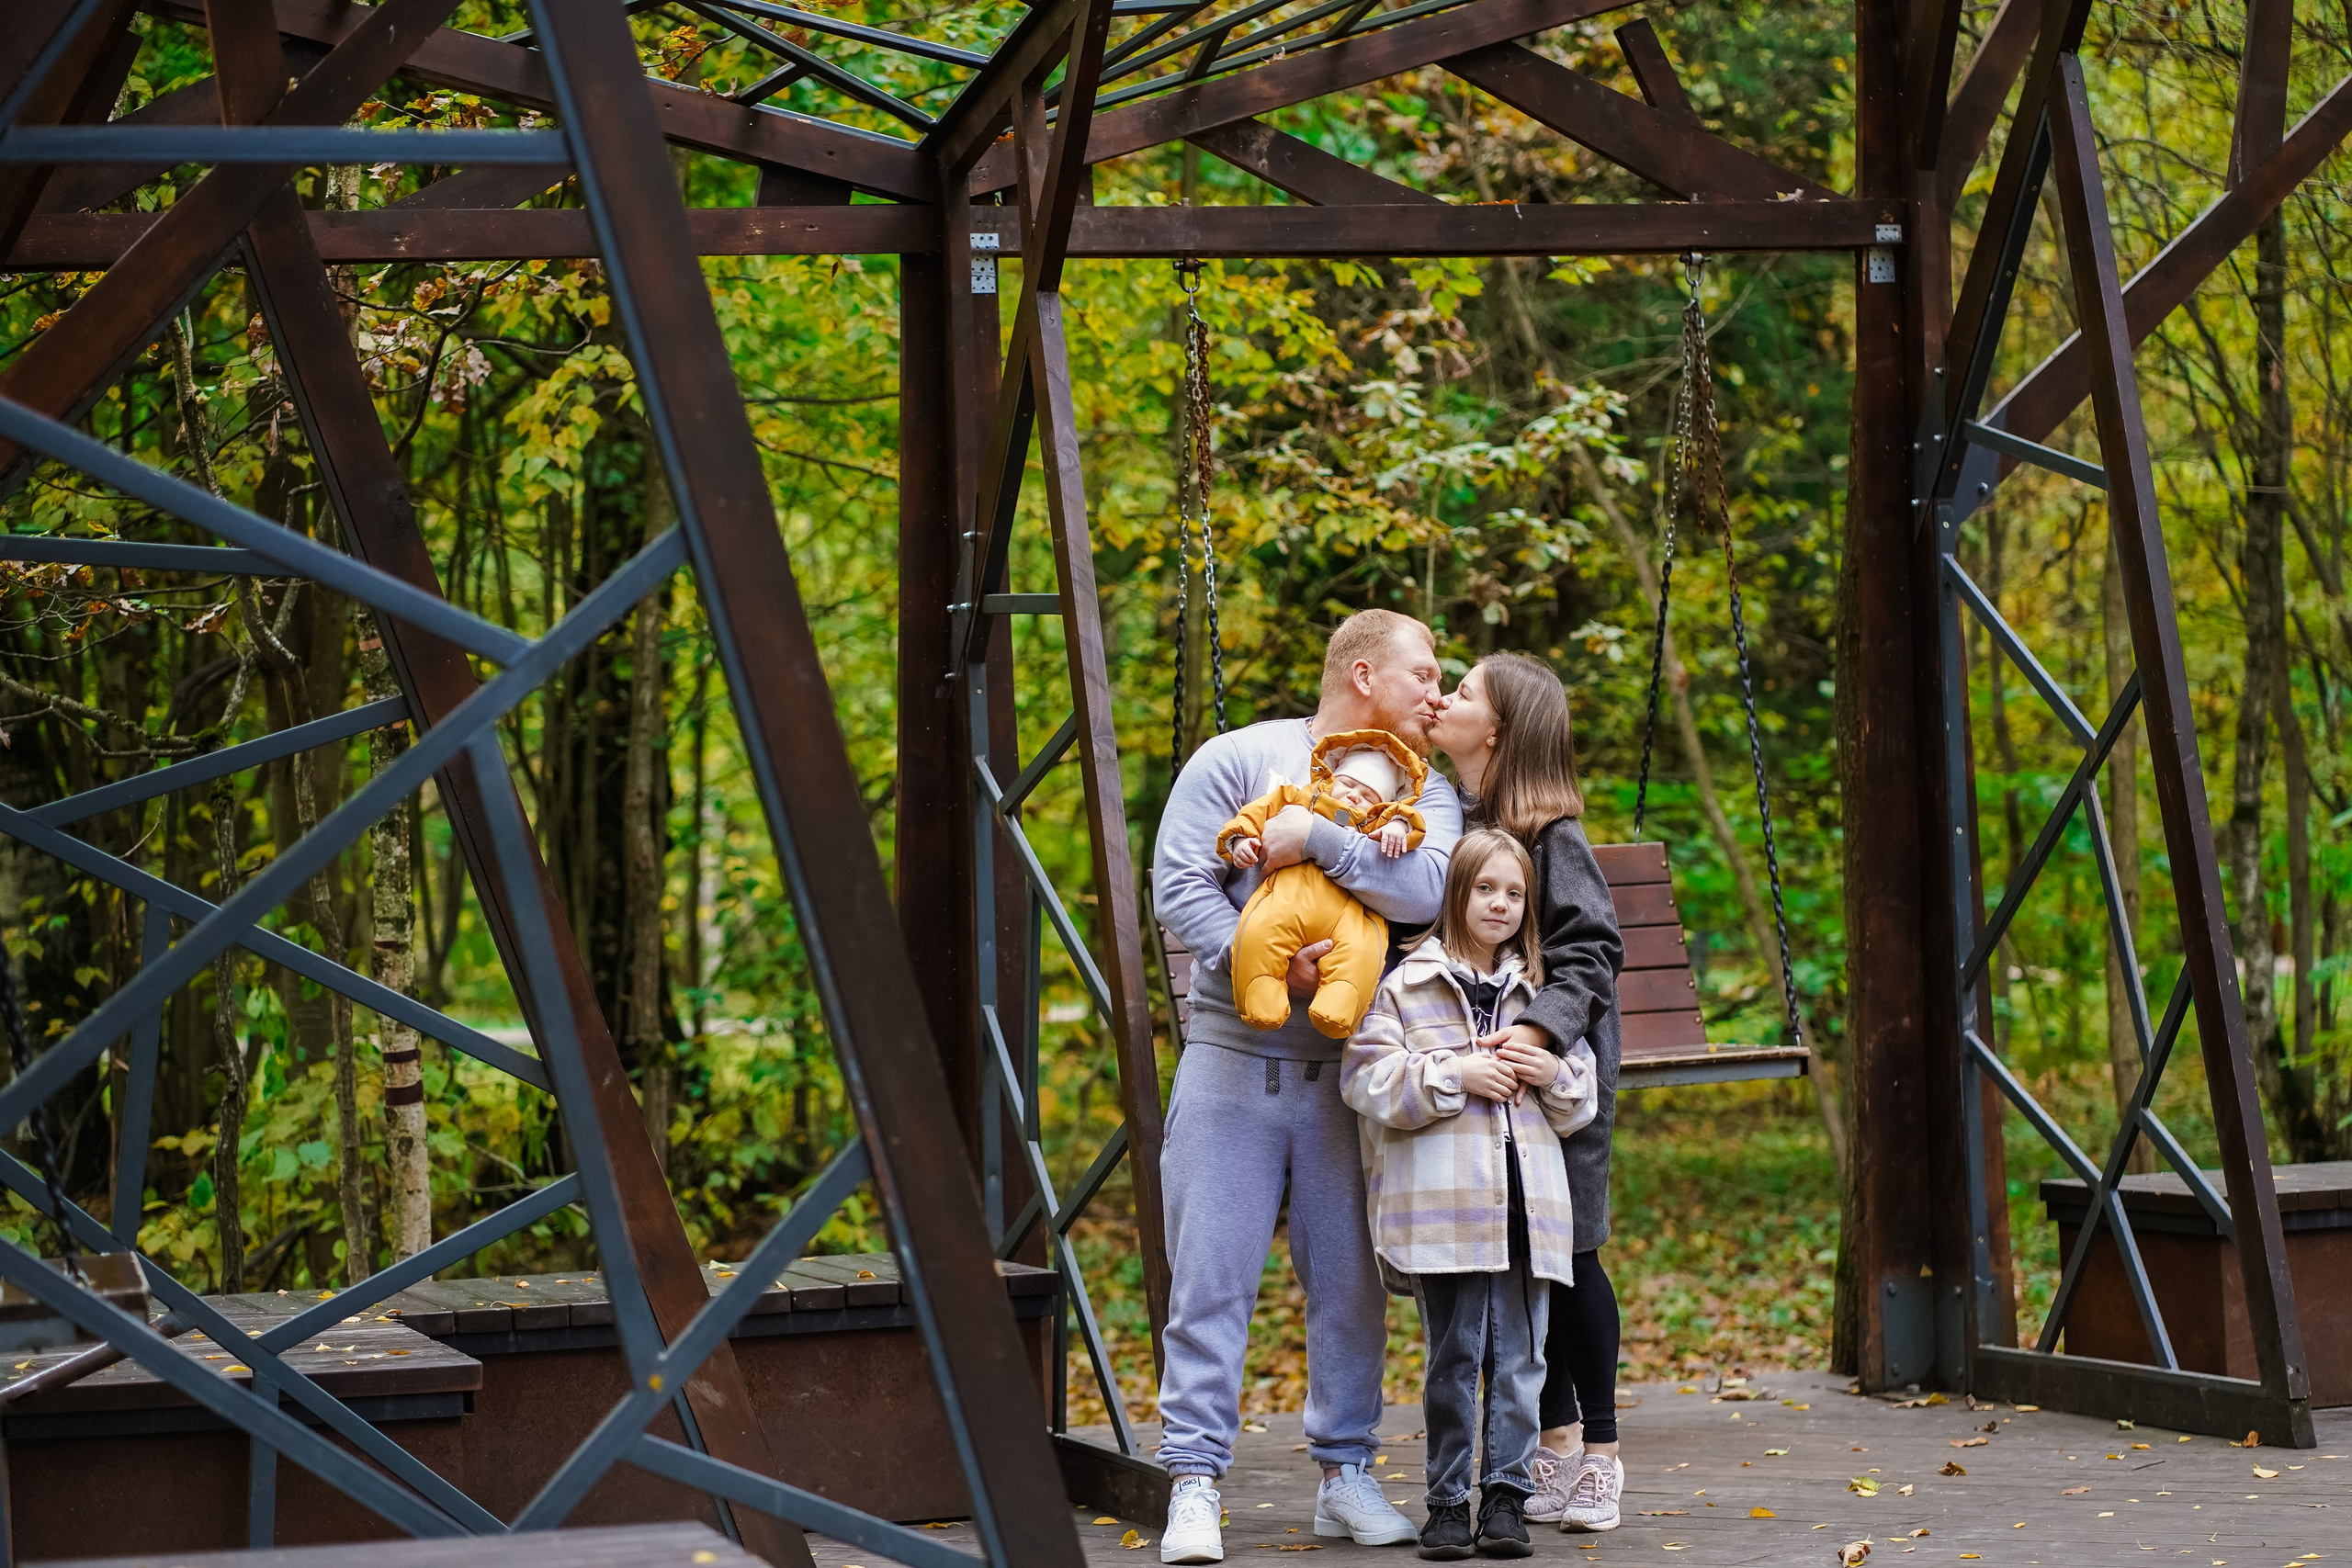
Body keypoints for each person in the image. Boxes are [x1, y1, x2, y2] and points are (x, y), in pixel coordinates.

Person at [1151, 608, 1463, 1565]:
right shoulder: (1237, 758)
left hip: (1351, 1074)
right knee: (1209, 1279)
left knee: (1350, 1288)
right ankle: (1195, 1481)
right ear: (1363, 674)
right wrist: (1262, 963)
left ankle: (1345, 1474)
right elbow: (1178, 886)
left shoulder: (1429, 790)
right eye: (1424, 673)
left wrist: (1320, 844)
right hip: (1229, 1055)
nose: (1437, 694)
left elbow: (1427, 894)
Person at [1341, 829, 1600, 1560]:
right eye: (1486, 888)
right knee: (1454, 1357)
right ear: (1457, 894)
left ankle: (1507, 1498)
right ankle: (1449, 1501)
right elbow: (1365, 1079)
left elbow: (1578, 1099)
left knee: (1522, 1362)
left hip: (1527, 1208)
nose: (1501, 903)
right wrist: (1456, 1075)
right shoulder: (1406, 985)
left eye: (1515, 893)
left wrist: (1550, 1075)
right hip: (1446, 1212)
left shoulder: (1539, 997)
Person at [1426, 653, 1627, 1534]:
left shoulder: (1553, 836)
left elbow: (1592, 952)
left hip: (1556, 1076)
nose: (1443, 698)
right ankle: (1553, 1442)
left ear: (1499, 729)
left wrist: (1540, 1035)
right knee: (1512, 1261)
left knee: (1569, 1252)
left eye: (1463, 691)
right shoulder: (1453, 820)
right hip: (1482, 1082)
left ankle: (1605, 1458)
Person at [1218, 728, 1431, 1037]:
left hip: (1349, 914)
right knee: (1258, 932)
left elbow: (1411, 824)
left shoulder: (1378, 823)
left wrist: (1399, 827)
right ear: (1332, 778)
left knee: (1363, 950)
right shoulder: (1301, 797)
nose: (1354, 795)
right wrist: (1241, 839)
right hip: (1289, 898)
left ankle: (1340, 1004)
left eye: (1368, 794)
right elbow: (1257, 812)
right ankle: (1260, 992)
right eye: (1348, 783)